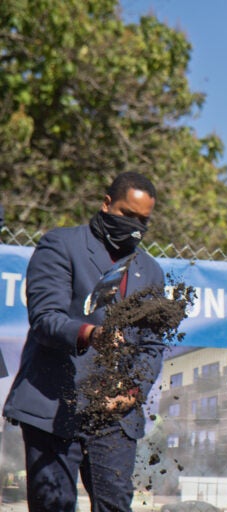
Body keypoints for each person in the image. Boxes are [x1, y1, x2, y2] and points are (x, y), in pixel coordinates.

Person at [2, 172, 165, 511]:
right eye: (126, 214)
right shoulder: (61, 245)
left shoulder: (149, 271)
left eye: (142, 221)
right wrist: (91, 334)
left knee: (115, 505)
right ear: (106, 204)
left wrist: (132, 392)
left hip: (114, 416)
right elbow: (47, 318)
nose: (134, 227)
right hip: (54, 403)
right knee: (54, 504)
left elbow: (151, 346)